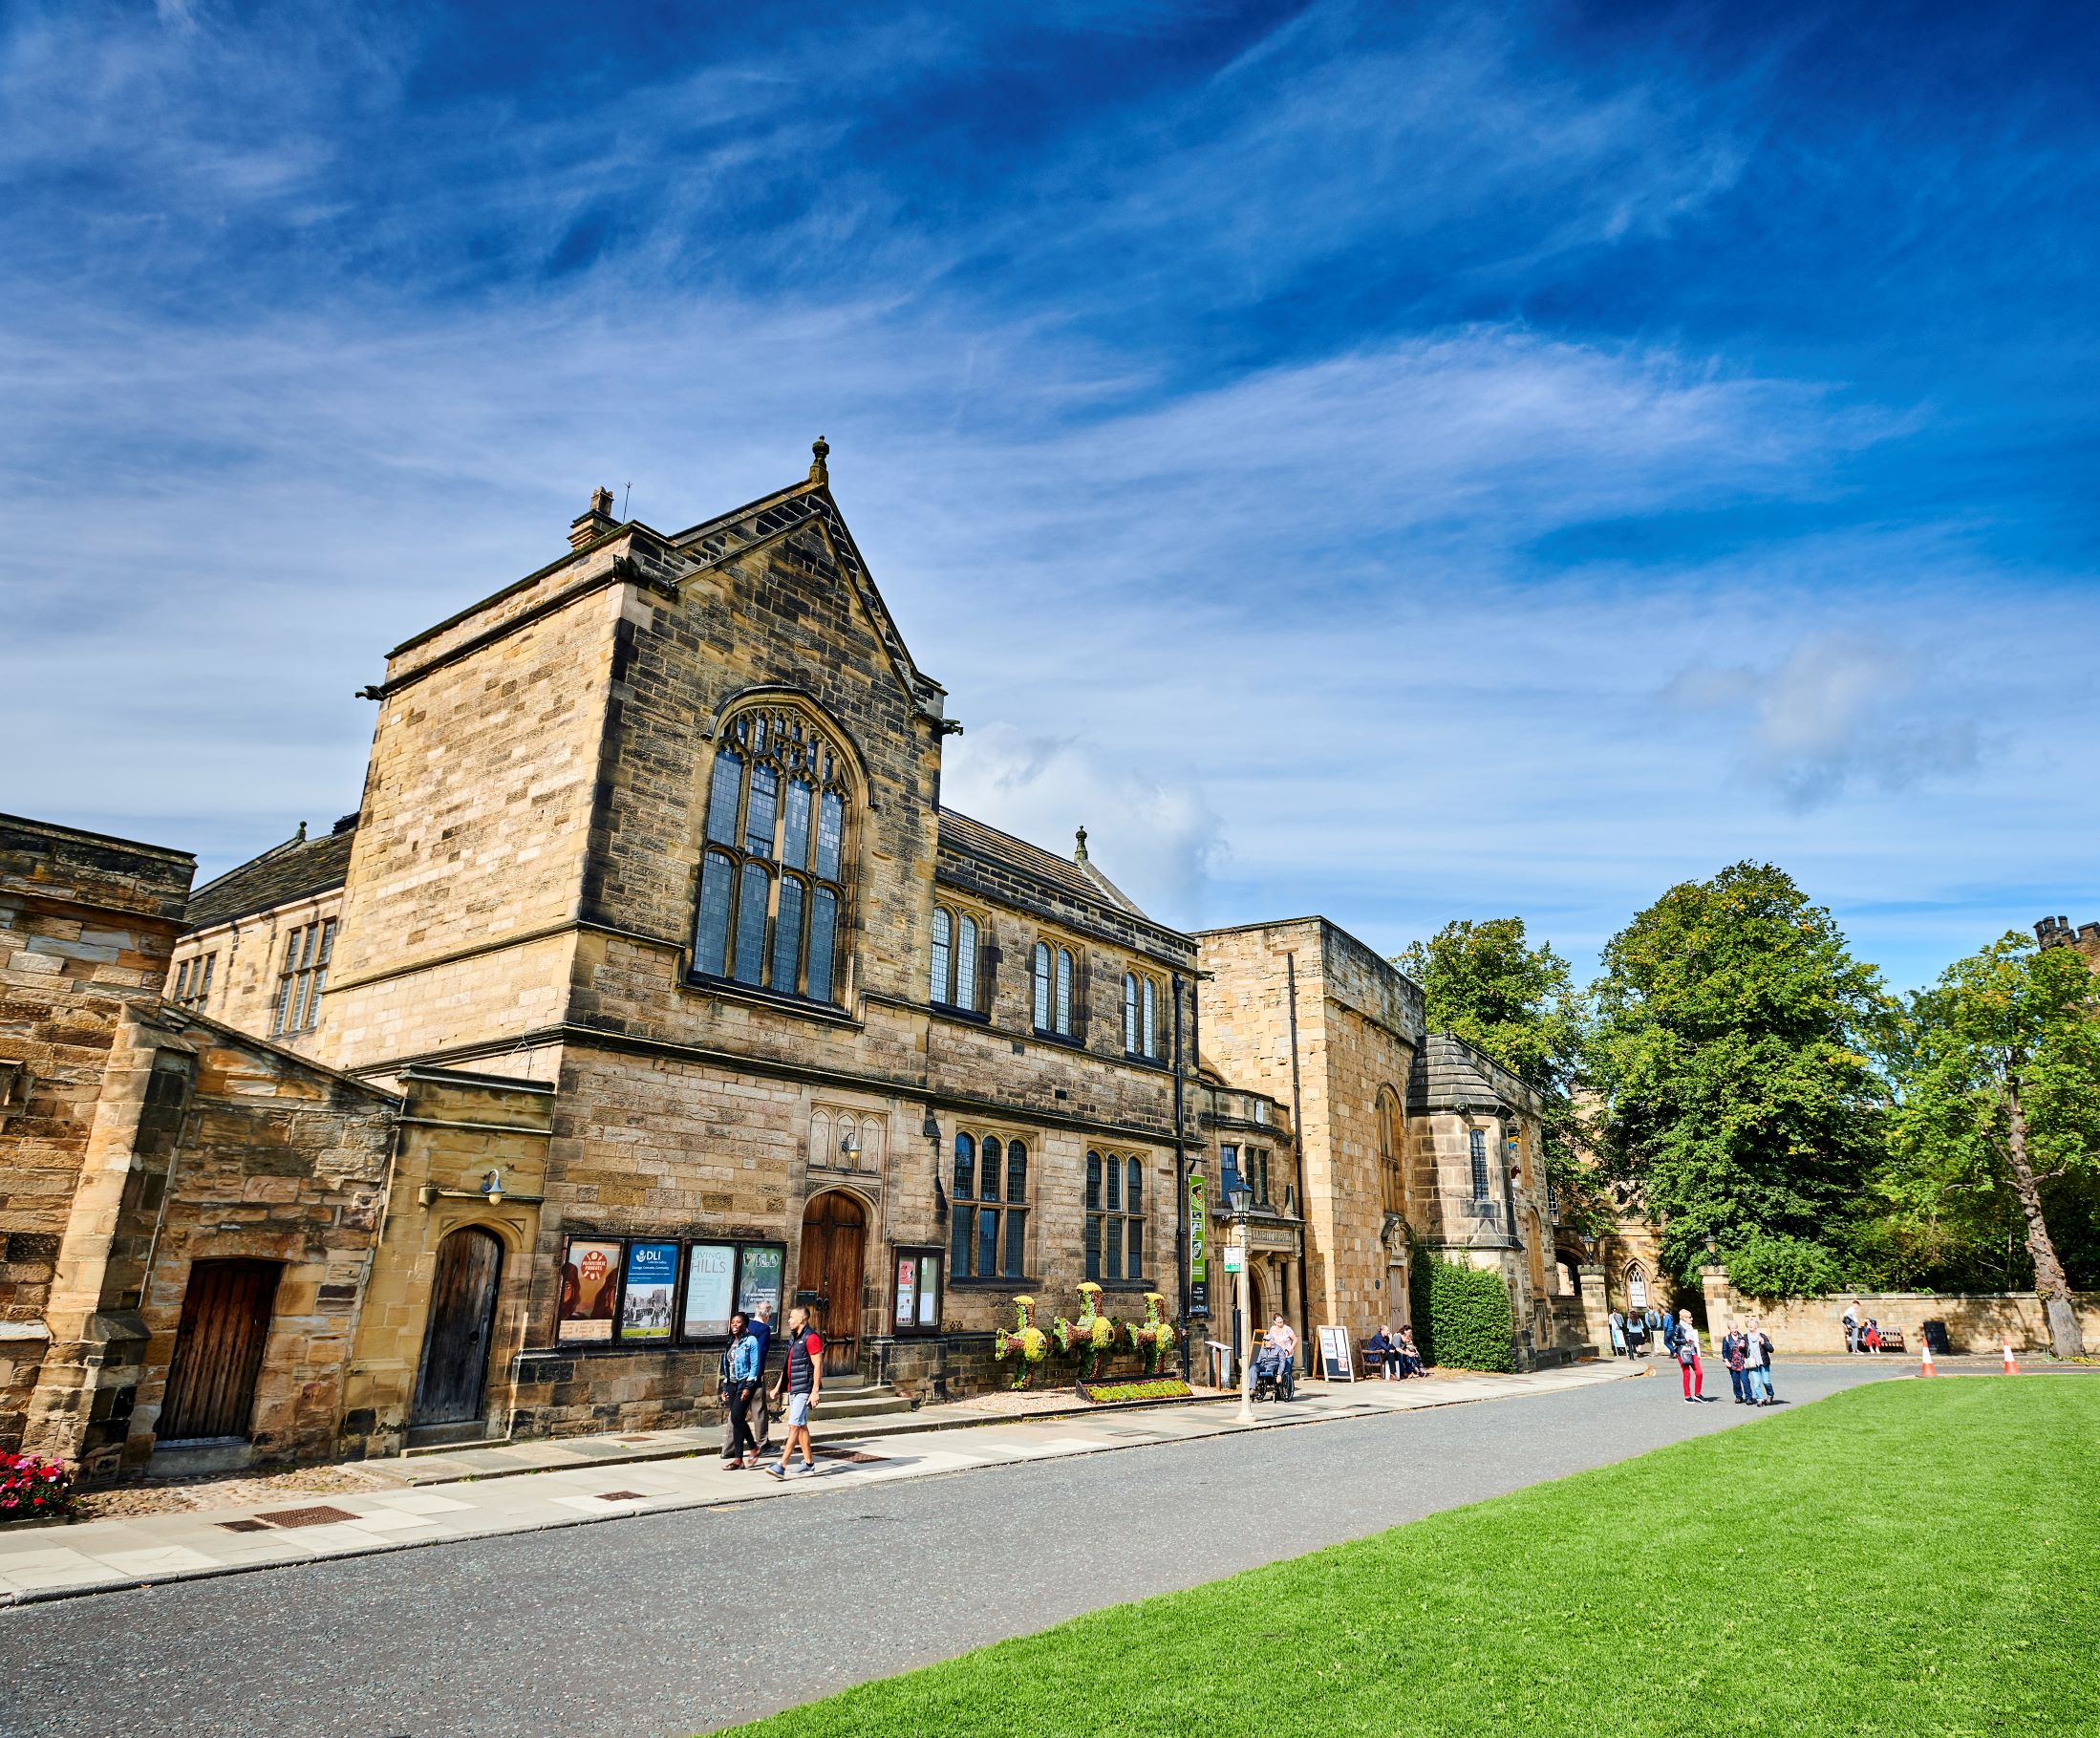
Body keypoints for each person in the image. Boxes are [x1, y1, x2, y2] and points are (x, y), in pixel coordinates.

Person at [764, 1306, 824, 1479]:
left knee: (794, 1425)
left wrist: (815, 1391)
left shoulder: (811, 1338)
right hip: (794, 1387)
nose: (789, 1320)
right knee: (801, 1426)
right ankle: (808, 1463)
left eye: (792, 1317)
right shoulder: (794, 1337)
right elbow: (788, 1365)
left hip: (804, 1388)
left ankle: (781, 1465)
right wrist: (777, 1387)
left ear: (802, 1320)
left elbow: (818, 1366)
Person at [719, 1314, 761, 1469]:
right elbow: (728, 1365)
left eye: (738, 1322)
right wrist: (724, 1386)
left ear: (745, 1325)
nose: (734, 1325)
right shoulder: (731, 1341)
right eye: (732, 1322)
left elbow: (754, 1366)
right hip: (732, 1383)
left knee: (737, 1417)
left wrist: (748, 1387)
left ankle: (753, 1446)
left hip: (744, 1383)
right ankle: (738, 1460)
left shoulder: (751, 1341)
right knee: (736, 1420)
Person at [744, 1299, 776, 1458]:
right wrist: (761, 1371)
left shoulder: (746, 1325)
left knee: (736, 1412)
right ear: (767, 1316)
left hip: (740, 1373)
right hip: (754, 1374)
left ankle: (728, 1448)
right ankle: (763, 1443)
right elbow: (761, 1351)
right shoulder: (764, 1329)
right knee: (759, 1409)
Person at [1674, 1309, 1705, 1403]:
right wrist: (1684, 1340)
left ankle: (1697, 1394)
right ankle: (1687, 1396)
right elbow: (1675, 1339)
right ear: (1684, 1318)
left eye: (1691, 1317)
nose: (1692, 1318)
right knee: (1686, 1373)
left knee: (1699, 1373)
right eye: (1689, 1317)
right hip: (1682, 1352)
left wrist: (1698, 1342)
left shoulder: (1690, 1328)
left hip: (1692, 1351)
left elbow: (1693, 1339)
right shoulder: (1678, 1326)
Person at [1265, 1315, 1298, 1400]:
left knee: (1286, 1372)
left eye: (1281, 1321)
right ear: (1275, 1322)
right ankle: (1278, 1393)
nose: (1280, 1323)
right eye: (1278, 1321)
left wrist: (1290, 1349)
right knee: (1276, 1373)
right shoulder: (1272, 1329)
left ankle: (1288, 1392)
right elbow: (1271, 1340)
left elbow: (1295, 1339)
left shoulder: (1287, 1329)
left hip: (1287, 1354)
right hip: (1277, 1355)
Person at [1744, 1318, 1775, 1405]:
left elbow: (1771, 1349)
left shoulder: (1763, 1336)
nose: (1751, 1325)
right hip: (1753, 1363)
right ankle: (1760, 1399)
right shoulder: (1745, 1337)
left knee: (1766, 1381)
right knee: (1756, 1383)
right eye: (1749, 1323)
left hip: (1763, 1362)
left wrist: (1763, 1343)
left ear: (1756, 1326)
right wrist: (1741, 1347)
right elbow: (1742, 1351)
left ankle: (1770, 1394)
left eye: (1753, 1323)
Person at [1722, 1322, 1750, 1405]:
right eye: (1732, 1328)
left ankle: (1749, 1397)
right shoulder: (1726, 1338)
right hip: (1733, 1363)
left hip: (1743, 1363)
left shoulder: (1743, 1337)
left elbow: (1748, 1349)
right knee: (1736, 1382)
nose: (1734, 1330)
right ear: (1729, 1329)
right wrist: (1726, 1361)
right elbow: (1724, 1351)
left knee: (1745, 1380)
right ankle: (1738, 1396)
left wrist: (1744, 1346)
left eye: (1735, 1328)